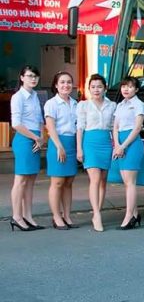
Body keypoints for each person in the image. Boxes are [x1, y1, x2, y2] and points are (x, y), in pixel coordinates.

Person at [76, 74, 116, 232]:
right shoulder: (83, 106)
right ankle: (97, 214)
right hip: (90, 142)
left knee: (103, 180)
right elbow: (80, 128)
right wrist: (79, 148)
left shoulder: (112, 105)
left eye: (99, 86)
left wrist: (116, 145)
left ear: (105, 88)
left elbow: (114, 127)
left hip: (106, 142)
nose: (96, 90)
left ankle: (96, 212)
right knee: (95, 178)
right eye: (93, 87)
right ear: (89, 89)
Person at [9, 65, 45, 232]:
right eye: (29, 76)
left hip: (36, 139)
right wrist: (35, 137)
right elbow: (16, 124)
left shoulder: (35, 96)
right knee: (21, 180)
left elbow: (39, 119)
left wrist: (41, 137)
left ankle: (28, 215)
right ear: (22, 77)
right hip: (24, 139)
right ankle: (16, 216)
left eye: (35, 76)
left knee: (31, 180)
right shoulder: (18, 97)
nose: (33, 79)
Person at [44, 71, 78, 230]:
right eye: (62, 82)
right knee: (57, 182)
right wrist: (59, 146)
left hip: (72, 143)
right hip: (58, 143)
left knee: (69, 182)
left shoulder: (76, 103)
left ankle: (67, 216)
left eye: (69, 82)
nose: (66, 85)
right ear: (56, 85)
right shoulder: (51, 103)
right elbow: (50, 127)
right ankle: (56, 217)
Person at [112, 76, 144, 230]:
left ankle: (128, 216)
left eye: (130, 87)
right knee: (126, 183)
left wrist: (123, 146)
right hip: (120, 143)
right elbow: (115, 127)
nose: (126, 89)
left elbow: (137, 128)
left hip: (132, 144)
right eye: (124, 86)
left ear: (136, 89)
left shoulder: (139, 105)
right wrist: (117, 145)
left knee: (130, 182)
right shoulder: (119, 105)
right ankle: (135, 214)